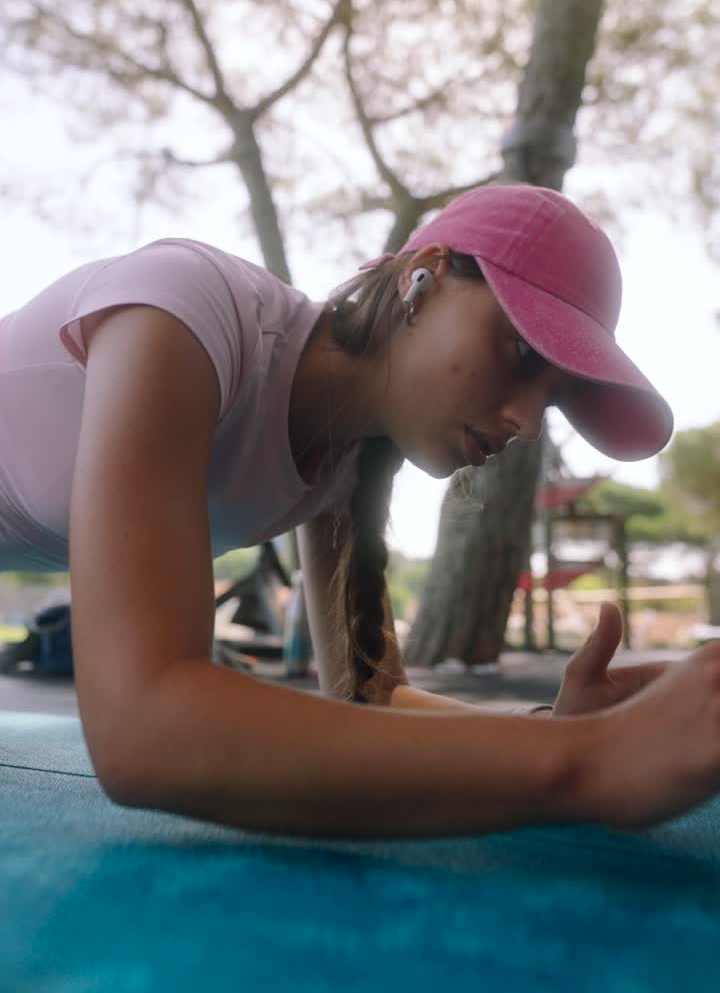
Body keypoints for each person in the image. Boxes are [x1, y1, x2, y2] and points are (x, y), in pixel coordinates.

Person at [1, 182, 719, 839]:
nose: (529, 423)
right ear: (425, 275)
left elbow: (367, 696)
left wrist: (547, 726)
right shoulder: (189, 310)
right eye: (522, 353)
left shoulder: (350, 464)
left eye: (554, 397)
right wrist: (587, 761)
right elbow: (143, 730)